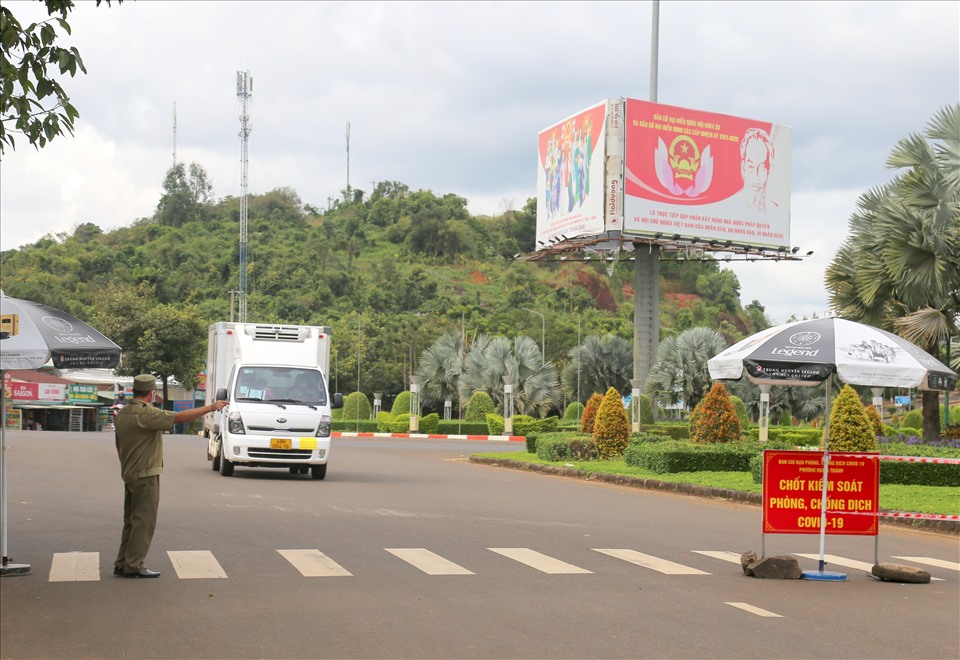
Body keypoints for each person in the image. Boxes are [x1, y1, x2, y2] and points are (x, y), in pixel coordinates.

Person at [113, 374, 227, 578]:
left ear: (133, 391)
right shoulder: (147, 414)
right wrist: (211, 407)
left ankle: (123, 562)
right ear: (152, 393)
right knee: (144, 521)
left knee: (131, 520)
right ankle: (134, 565)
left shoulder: (122, 415)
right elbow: (179, 417)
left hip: (130, 472)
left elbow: (119, 445)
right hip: (146, 474)